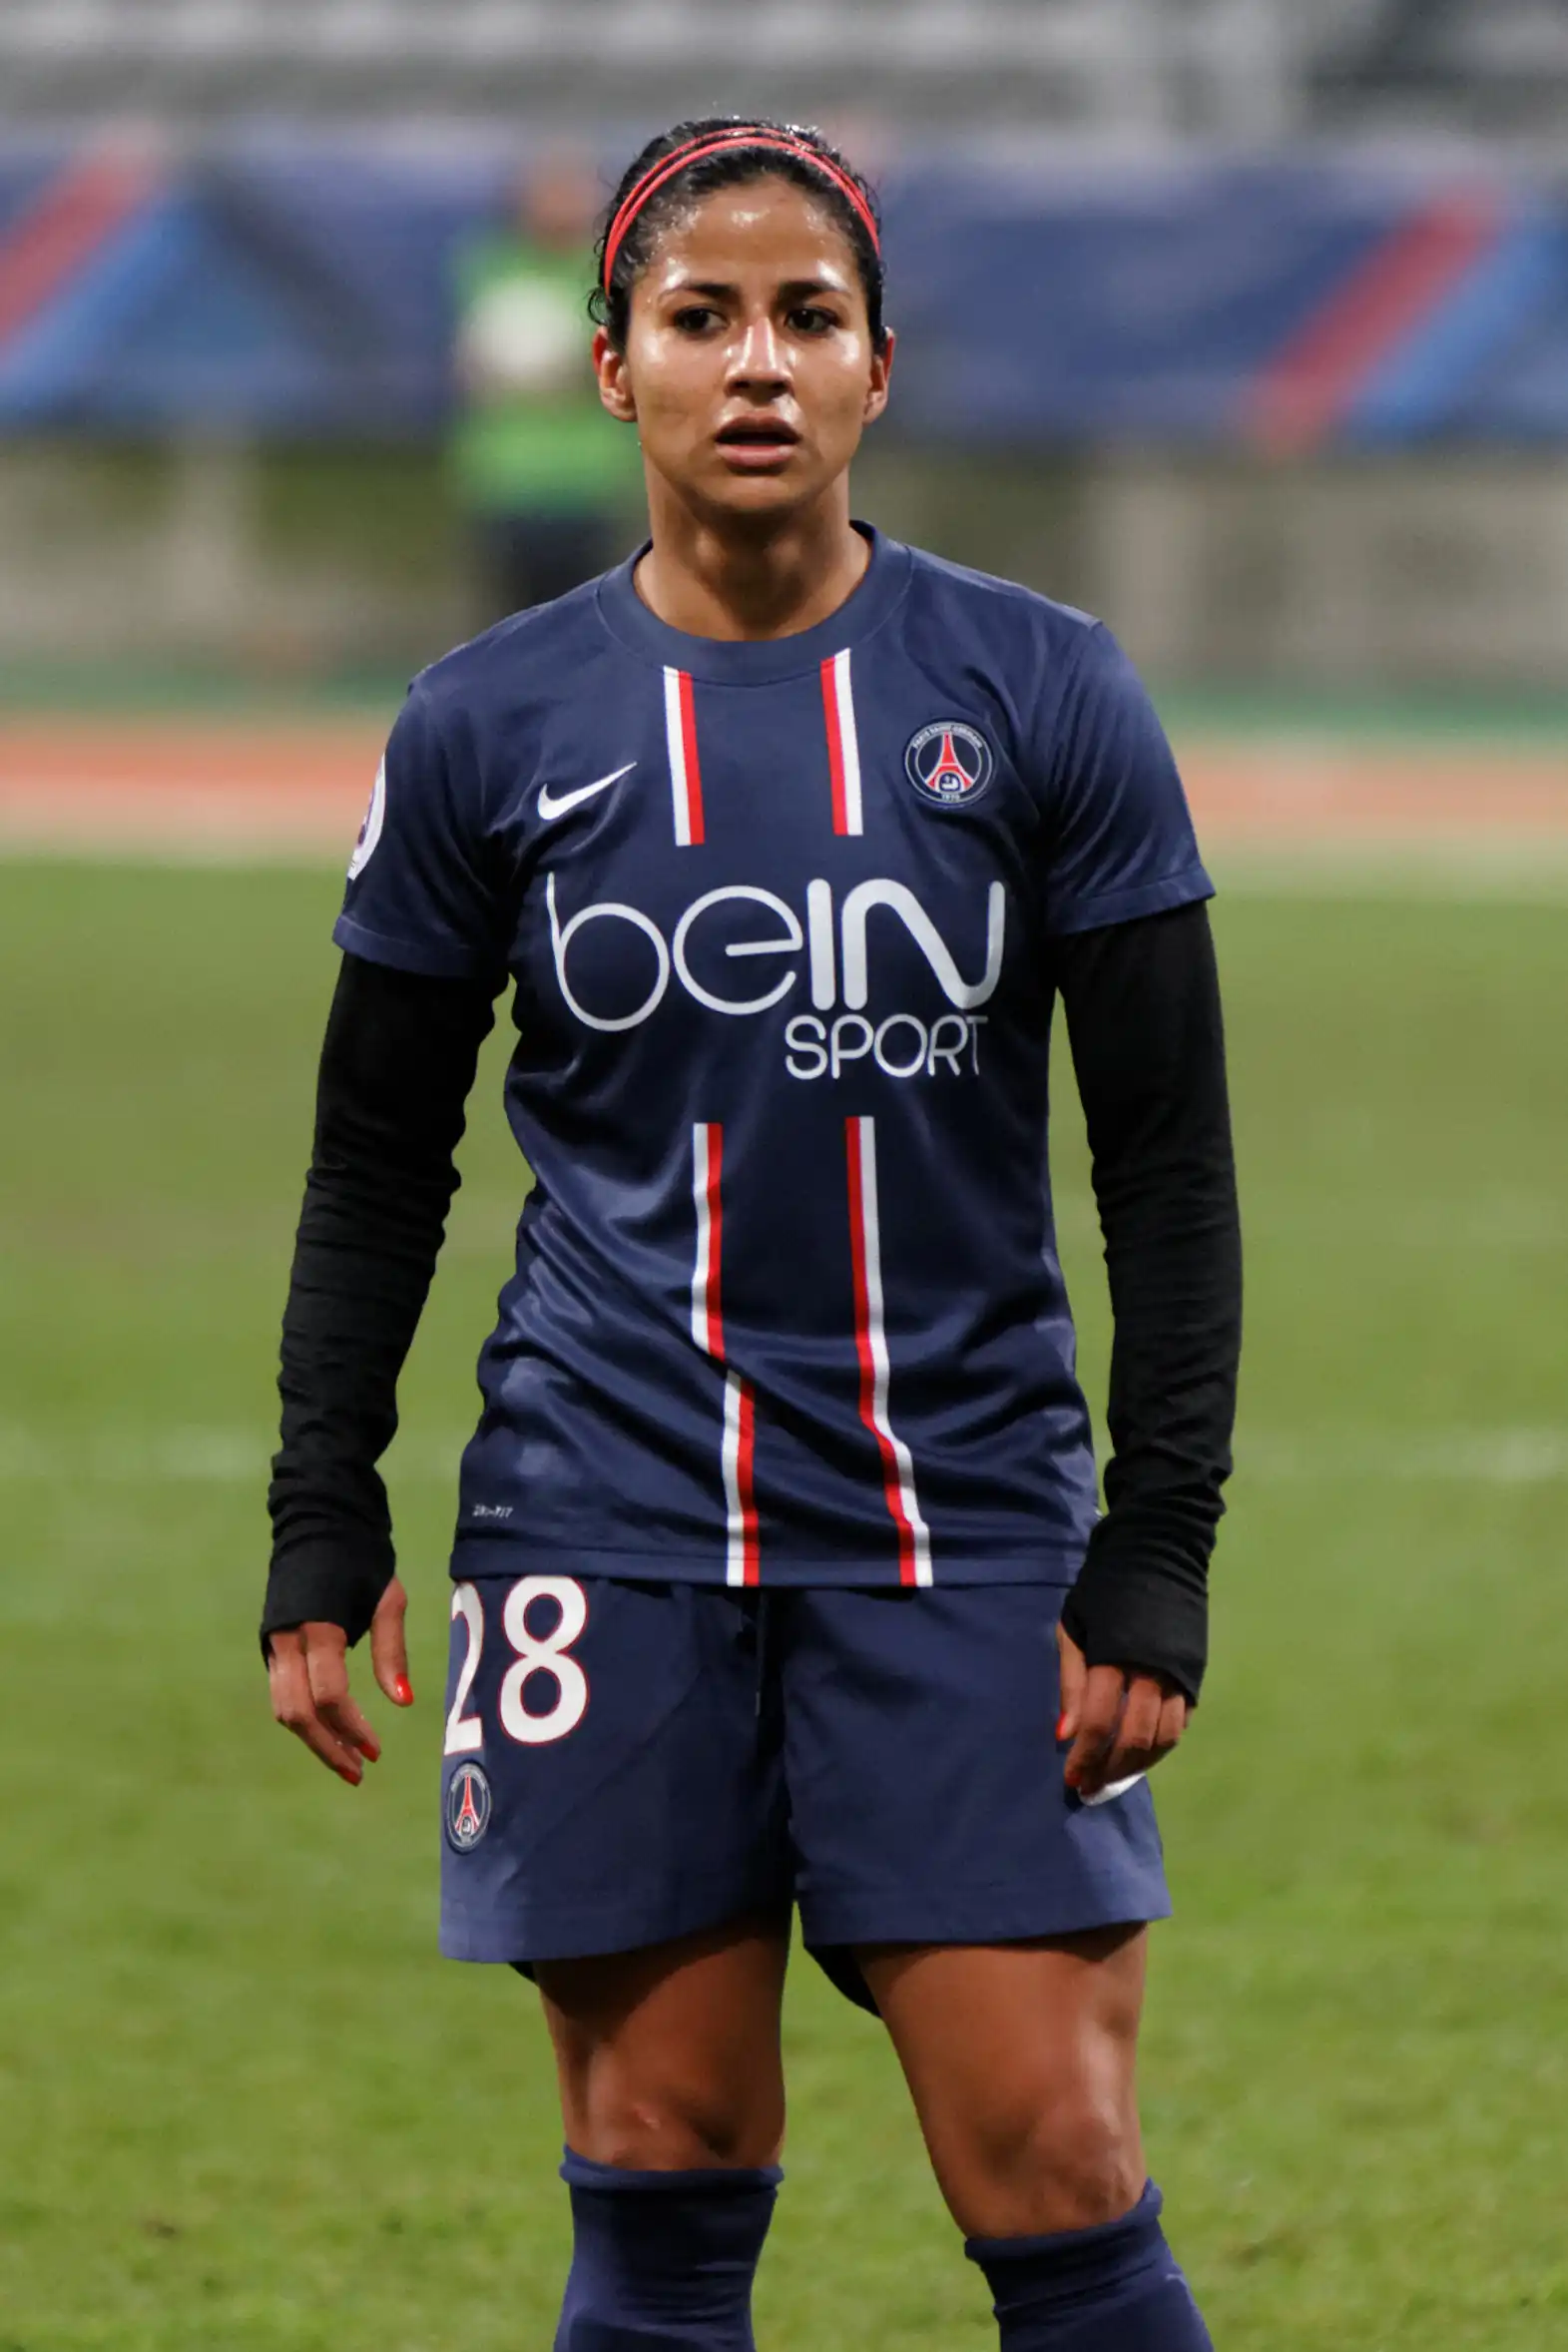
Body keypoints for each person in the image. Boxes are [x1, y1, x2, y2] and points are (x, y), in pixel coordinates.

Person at [263, 116, 1241, 2352]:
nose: (758, 362)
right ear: (613, 363)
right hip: (600, 1514)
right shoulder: (482, 726)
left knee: (1056, 2160)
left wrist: (1157, 1538)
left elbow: (1168, 1166)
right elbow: (374, 1158)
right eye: (701, 316)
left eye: (808, 315)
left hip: (957, 1513)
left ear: (878, 363)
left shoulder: (1042, 688)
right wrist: (324, 1504)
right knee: (659, 2166)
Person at [451, 148, 642, 620]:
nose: (560, 204)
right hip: (507, 482)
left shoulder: (610, 273)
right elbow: (468, 363)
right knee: (510, 628)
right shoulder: (490, 264)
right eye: (549, 190)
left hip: (587, 483)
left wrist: (570, 370)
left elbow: (625, 362)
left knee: (591, 624)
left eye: (571, 190)